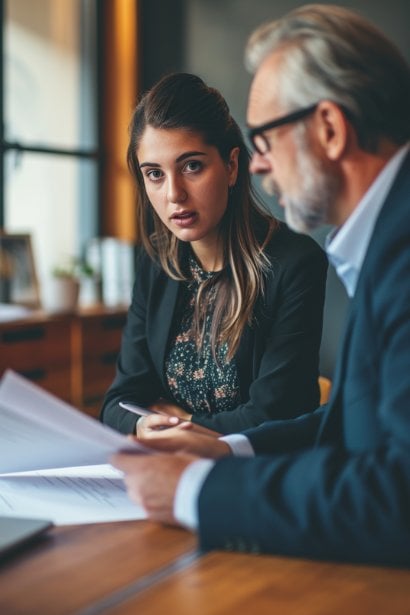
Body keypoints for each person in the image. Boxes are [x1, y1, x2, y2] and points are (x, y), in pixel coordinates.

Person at [112, 4, 410, 567]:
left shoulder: (396, 251)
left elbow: (398, 493)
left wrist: (191, 490)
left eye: (266, 141)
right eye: (154, 173)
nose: (259, 167)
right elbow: (348, 424)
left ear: (329, 128)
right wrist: (224, 445)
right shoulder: (387, 239)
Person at [100, 72, 327, 436]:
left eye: (192, 166)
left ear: (231, 166)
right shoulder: (156, 263)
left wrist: (179, 424)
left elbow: (274, 414)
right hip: (172, 468)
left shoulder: (294, 263)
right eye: (155, 174)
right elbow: (118, 402)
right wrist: (143, 424)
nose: (174, 194)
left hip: (256, 476)